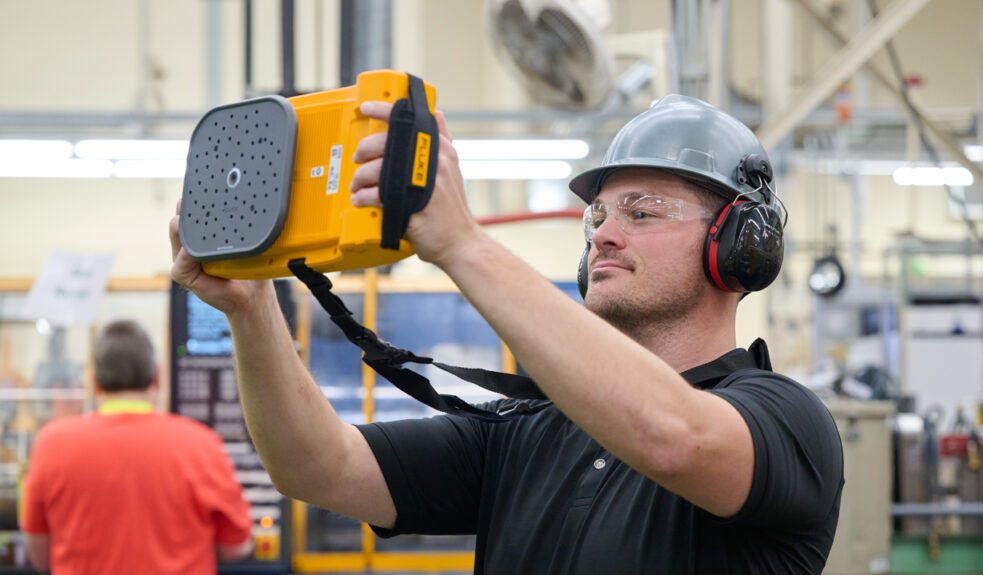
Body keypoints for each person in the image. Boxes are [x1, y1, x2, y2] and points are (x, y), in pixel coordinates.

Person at [170, 94, 844, 573]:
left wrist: (462, 242)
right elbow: (316, 465)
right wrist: (250, 309)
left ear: (737, 244)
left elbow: (673, 437)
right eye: (599, 214)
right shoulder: (524, 430)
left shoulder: (787, 423)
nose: (605, 231)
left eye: (643, 211)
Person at [20, 320, 253, 574]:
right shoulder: (201, 444)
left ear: (94, 381)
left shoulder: (51, 444)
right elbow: (236, 547)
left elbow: (39, 554)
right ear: (156, 377)